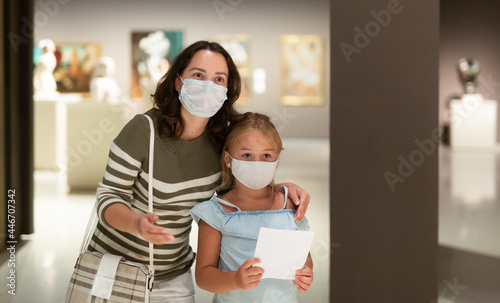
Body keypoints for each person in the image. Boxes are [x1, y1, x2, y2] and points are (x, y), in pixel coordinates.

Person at [85, 41, 310, 303]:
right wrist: (137, 224)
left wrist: (283, 187)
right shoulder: (144, 130)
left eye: (218, 79)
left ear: (227, 89)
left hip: (174, 274)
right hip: (116, 269)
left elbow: (247, 173)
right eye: (198, 75)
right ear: (179, 82)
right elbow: (108, 197)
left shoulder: (221, 141)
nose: (208, 85)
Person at [191, 112, 314, 302]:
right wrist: (235, 279)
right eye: (247, 155)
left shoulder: (290, 206)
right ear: (228, 159)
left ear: (276, 158)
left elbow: (303, 258)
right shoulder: (218, 213)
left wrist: (306, 273)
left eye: (266, 155)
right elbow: (204, 277)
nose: (257, 163)